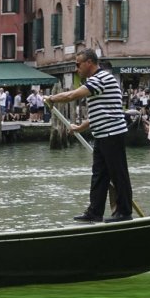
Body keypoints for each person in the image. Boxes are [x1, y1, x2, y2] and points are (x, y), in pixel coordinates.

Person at [43, 48, 133, 223]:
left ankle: (124, 212)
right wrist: (81, 127)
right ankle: (95, 211)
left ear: (89, 63)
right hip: (102, 134)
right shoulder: (96, 80)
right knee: (99, 175)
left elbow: (72, 95)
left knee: (118, 173)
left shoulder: (101, 78)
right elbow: (100, 113)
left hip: (112, 134)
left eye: (78, 64)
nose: (77, 68)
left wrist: (52, 98)